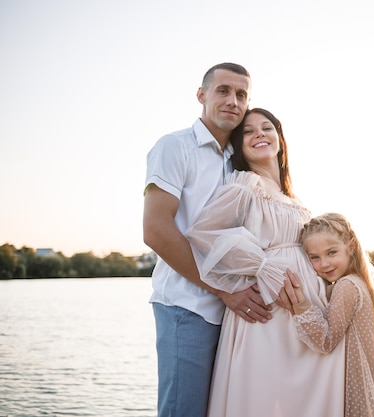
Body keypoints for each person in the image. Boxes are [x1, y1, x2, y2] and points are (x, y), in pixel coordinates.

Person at [186, 108, 345, 417]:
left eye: (266, 127)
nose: (259, 133)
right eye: (248, 131)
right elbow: (203, 234)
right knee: (265, 395)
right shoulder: (245, 184)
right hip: (268, 313)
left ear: (280, 139)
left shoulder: (294, 199)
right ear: (240, 146)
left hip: (306, 313)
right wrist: (263, 266)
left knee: (307, 398)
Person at [143, 63, 272, 417]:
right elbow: (155, 230)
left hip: (233, 316)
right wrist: (223, 289)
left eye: (242, 95)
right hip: (187, 307)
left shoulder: (239, 161)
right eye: (223, 91)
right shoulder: (174, 147)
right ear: (202, 96)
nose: (233, 100)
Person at [283, 212, 374, 417]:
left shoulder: (347, 285)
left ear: (350, 247)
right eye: (314, 258)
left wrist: (301, 304)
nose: (324, 264)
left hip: (355, 386)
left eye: (331, 253)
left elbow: (327, 340)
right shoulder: (363, 283)